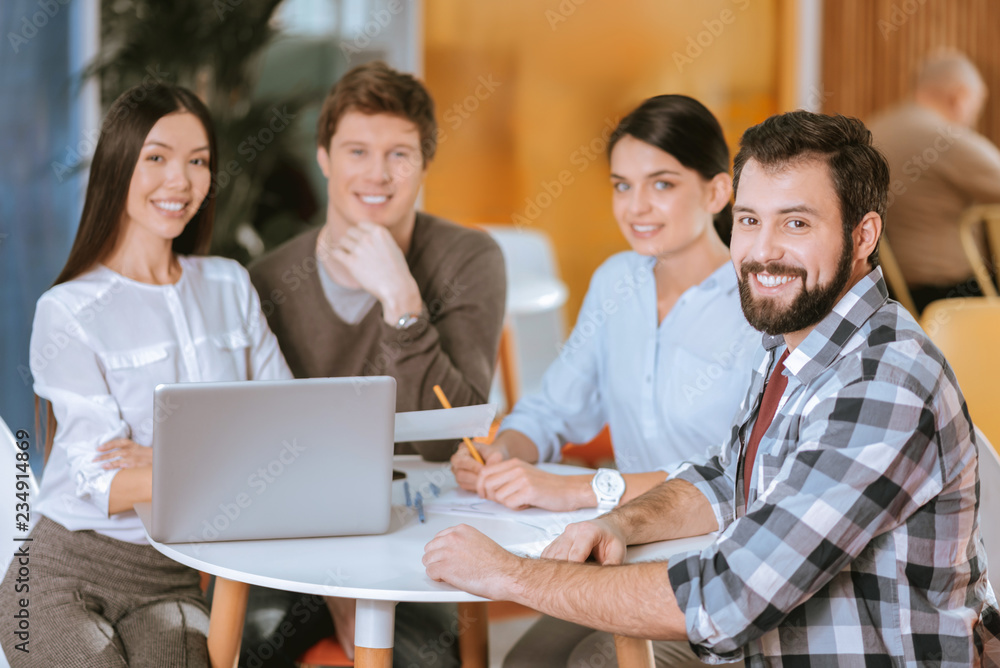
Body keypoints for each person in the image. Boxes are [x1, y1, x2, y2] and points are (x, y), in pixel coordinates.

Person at [424, 110, 1000, 665]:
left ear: (863, 234)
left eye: (795, 223)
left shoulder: (883, 379)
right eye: (750, 221)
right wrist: (617, 523)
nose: (763, 250)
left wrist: (508, 574)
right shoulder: (792, 340)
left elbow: (729, 599)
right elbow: (729, 476)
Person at [449, 94, 757, 667]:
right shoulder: (617, 280)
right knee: (523, 663)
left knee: (592, 662)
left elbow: (737, 475)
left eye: (661, 184)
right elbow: (552, 408)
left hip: (722, 569)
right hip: (623, 550)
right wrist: (503, 450)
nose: (636, 206)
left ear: (717, 191)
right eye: (621, 185)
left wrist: (573, 489)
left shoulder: (757, 303)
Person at [0, 83, 291, 668]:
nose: (180, 181)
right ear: (118, 165)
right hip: (63, 571)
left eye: (198, 161)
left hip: (174, 581)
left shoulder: (230, 286)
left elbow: (291, 435)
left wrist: (163, 460)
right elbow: (103, 482)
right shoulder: (69, 311)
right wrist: (238, 457)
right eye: (156, 157)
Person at [241, 61, 506, 668]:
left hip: (418, 527)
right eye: (357, 150)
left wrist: (403, 304)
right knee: (248, 648)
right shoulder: (269, 280)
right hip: (297, 535)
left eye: (400, 155)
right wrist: (339, 586)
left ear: (424, 164)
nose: (377, 174)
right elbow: (263, 449)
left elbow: (453, 438)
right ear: (325, 157)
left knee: (430, 663)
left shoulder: (468, 259)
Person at [868, 51, 1000, 311]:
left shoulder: (872, 130)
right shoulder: (946, 138)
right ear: (959, 97)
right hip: (951, 290)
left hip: (886, 290)